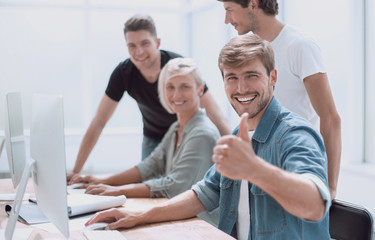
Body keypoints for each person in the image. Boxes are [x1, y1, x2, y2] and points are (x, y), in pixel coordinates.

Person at [85, 34, 331, 240]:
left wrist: (254, 169)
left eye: (252, 75)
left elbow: (315, 205)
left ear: (273, 78)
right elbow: (203, 193)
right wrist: (138, 216)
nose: (242, 88)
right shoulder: (237, 136)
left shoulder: (296, 134)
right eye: (232, 78)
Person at [67, 14, 231, 182]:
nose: (139, 52)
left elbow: (215, 114)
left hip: (183, 136)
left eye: (145, 43)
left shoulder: (177, 67)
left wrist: (238, 154)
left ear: (157, 43)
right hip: (152, 139)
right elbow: (99, 121)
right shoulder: (123, 73)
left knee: (180, 188)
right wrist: (75, 171)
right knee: (148, 189)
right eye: (132, 46)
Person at [218, 0, 341, 200]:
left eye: (229, 10)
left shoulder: (299, 45)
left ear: (253, 4)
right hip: (259, 165)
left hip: (294, 165)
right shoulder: (250, 51)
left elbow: (331, 118)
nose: (226, 20)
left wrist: (330, 188)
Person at [70, 57, 219, 199]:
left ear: (201, 90)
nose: (176, 95)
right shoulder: (176, 129)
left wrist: (117, 190)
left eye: (185, 87)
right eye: (170, 87)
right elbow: (149, 166)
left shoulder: (202, 134)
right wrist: (102, 181)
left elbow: (173, 186)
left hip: (202, 222)